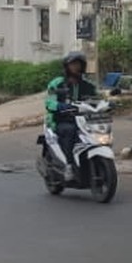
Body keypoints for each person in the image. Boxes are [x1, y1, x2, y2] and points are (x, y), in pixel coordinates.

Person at [44, 51, 98, 180]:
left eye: (78, 64)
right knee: (70, 130)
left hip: (83, 120)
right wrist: (59, 106)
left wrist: (108, 103)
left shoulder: (87, 85)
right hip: (61, 120)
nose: (76, 67)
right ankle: (68, 165)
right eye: (73, 64)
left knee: (97, 131)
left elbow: (97, 98)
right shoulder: (57, 83)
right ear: (67, 66)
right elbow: (49, 101)